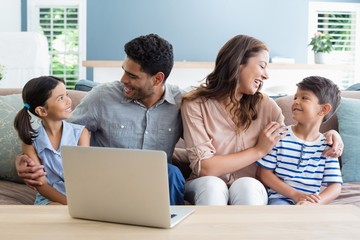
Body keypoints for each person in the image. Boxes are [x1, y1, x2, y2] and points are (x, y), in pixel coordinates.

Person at [15, 34, 185, 205]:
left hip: (154, 184)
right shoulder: (102, 97)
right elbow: (60, 133)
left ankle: (170, 224)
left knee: (172, 172)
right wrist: (24, 160)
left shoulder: (182, 104)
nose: (123, 79)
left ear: (158, 79)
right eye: (124, 70)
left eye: (132, 76)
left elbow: (204, 147)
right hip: (109, 184)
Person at [180, 34, 344, 205]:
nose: (266, 76)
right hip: (205, 183)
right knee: (213, 185)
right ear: (237, 63)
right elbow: (206, 168)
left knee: (247, 185)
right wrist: (259, 150)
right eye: (262, 66)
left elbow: (295, 136)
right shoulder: (194, 104)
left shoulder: (266, 105)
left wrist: (330, 133)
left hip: (250, 185)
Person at [257, 76, 342, 205]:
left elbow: (335, 186)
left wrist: (315, 203)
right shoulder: (280, 135)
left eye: (304, 98)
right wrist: (295, 194)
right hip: (280, 199)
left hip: (309, 205)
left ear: (324, 109)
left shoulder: (328, 145)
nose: (296, 101)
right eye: (295, 97)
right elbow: (264, 173)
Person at [13, 76, 90, 205]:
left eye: (66, 94)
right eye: (61, 98)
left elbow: (83, 173)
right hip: (51, 199)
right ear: (42, 111)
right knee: (56, 209)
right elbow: (41, 184)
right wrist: (69, 204)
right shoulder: (30, 142)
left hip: (80, 195)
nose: (68, 101)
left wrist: (79, 202)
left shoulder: (81, 133)